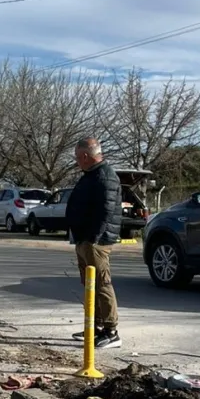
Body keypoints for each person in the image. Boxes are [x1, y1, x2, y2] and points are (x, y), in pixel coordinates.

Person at [65, 138, 123, 349]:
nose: (77, 162)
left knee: (101, 284)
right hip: (84, 239)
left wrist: (94, 238)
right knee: (90, 285)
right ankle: (94, 327)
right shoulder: (91, 175)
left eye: (77, 157)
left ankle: (111, 331)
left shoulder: (105, 176)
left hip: (95, 241)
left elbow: (105, 211)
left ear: (85, 156)